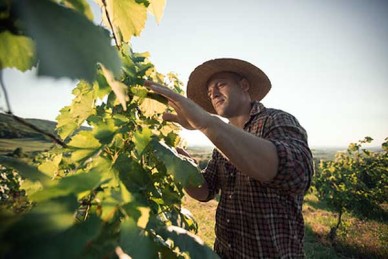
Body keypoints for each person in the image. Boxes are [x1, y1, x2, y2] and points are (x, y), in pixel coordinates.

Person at [144, 58, 313, 258]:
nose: (213, 93)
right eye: (209, 92)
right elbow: (205, 191)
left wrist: (206, 124)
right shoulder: (222, 143)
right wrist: (178, 162)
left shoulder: (276, 120)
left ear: (244, 85)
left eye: (220, 85)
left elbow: (297, 173)